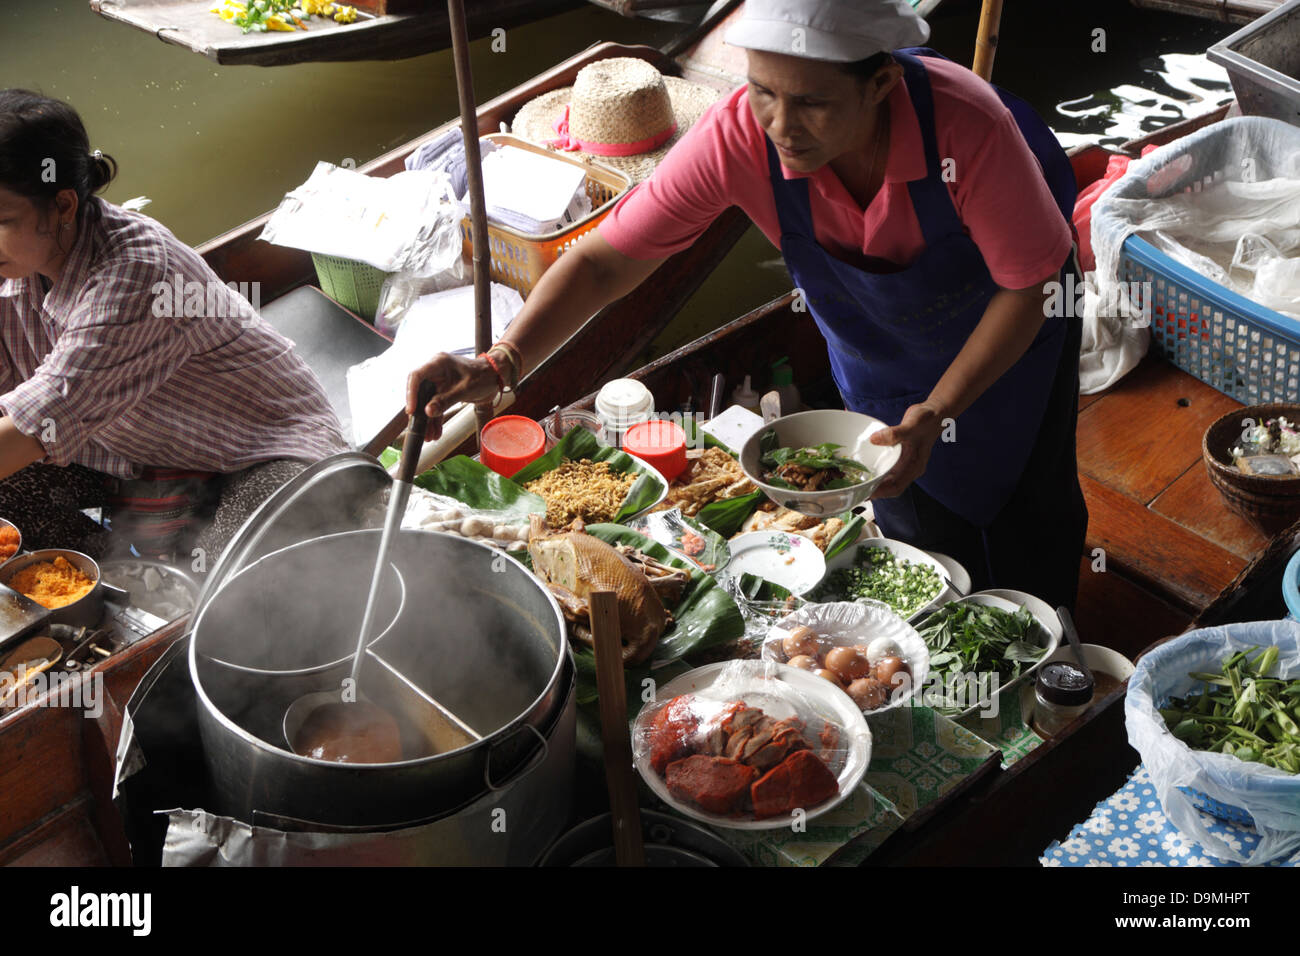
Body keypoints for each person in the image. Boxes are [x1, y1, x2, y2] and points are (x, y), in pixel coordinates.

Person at [407, 0, 1089, 610]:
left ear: (880, 84)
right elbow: (601, 262)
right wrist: (501, 361)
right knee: (909, 516)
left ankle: (1057, 660)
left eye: (813, 103)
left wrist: (941, 410)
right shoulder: (741, 134)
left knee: (1028, 516)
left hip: (1006, 335)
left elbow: (1028, 284)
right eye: (763, 91)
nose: (782, 126)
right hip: (879, 355)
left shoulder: (967, 129)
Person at [0, 90, 347, 560]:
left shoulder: (139, 273)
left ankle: (156, 588)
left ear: (63, 205)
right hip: (133, 452)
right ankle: (107, 580)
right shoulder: (21, 259)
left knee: (234, 582)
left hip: (252, 454)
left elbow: (33, 426)